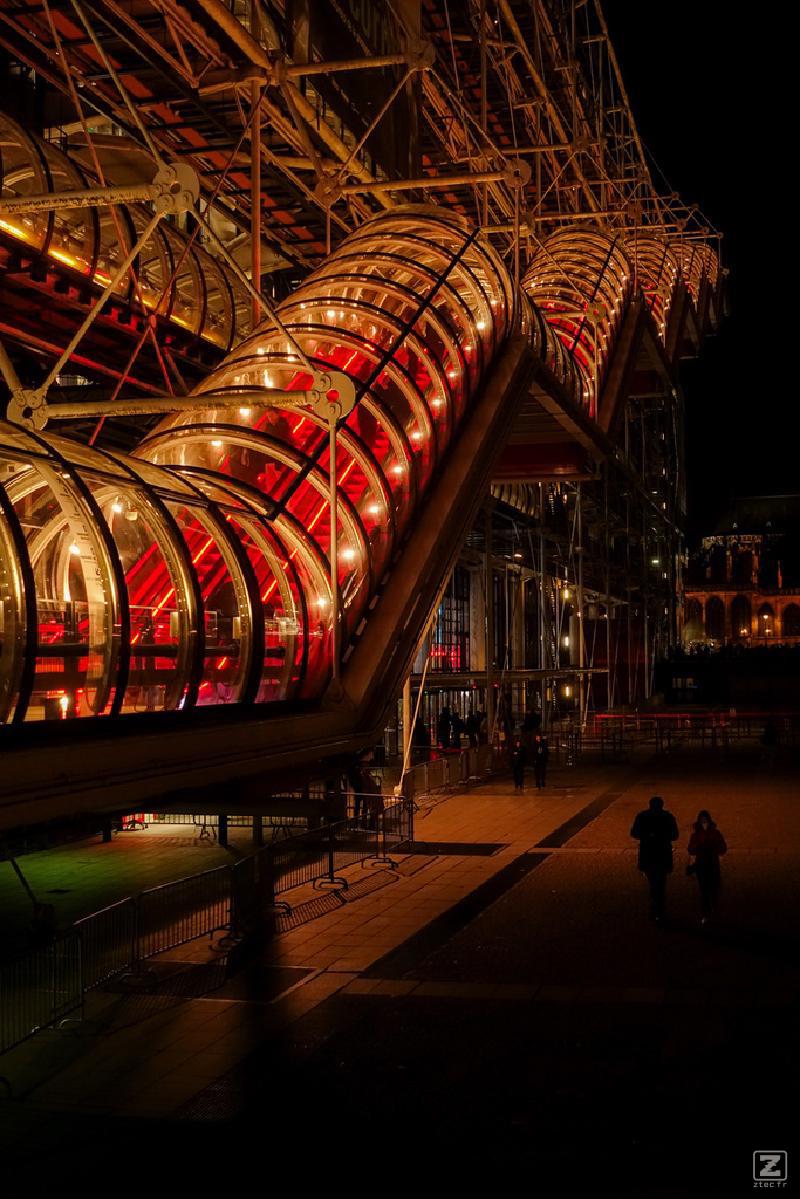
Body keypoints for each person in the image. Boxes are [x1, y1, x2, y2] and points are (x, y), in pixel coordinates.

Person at [630, 795, 680, 923]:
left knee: (653, 884)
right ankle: (659, 910)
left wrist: (647, 836)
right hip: (662, 854)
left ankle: (655, 910)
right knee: (660, 884)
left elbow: (634, 833)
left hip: (649, 854)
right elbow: (675, 835)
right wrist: (662, 836)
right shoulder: (667, 817)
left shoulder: (643, 816)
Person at [687, 809, 727, 923]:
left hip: (712, 864)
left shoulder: (715, 833)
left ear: (709, 821)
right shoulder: (696, 835)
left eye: (705, 820)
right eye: (702, 821)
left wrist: (713, 847)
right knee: (704, 891)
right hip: (702, 865)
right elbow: (691, 849)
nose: (704, 823)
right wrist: (700, 846)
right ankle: (706, 913)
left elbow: (723, 848)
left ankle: (714, 911)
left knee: (713, 889)